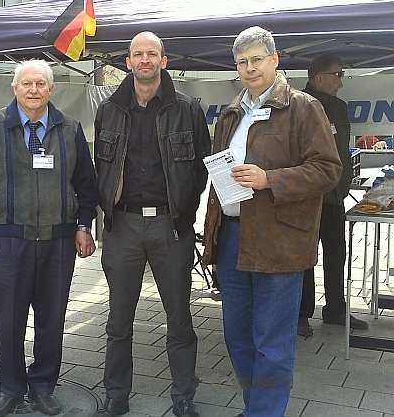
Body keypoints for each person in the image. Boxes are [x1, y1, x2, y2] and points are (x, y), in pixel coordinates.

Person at [201, 26, 342, 417]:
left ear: (275, 61)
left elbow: (327, 170)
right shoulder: (231, 114)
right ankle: (257, 406)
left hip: (279, 239)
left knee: (272, 342)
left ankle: (263, 412)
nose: (250, 68)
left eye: (257, 59)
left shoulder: (303, 107)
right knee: (238, 337)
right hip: (233, 237)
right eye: (242, 62)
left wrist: (269, 179)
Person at [0, 59, 97, 417]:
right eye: (27, 84)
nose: (34, 90)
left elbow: (86, 183)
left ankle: (42, 386)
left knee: (51, 318)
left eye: (41, 84)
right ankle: (10, 386)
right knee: (8, 318)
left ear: (51, 89)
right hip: (8, 241)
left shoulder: (70, 129)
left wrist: (84, 225)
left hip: (59, 240)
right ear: (15, 88)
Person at [94, 31, 211, 417]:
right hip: (122, 226)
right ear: (127, 62)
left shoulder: (188, 109)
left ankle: (183, 396)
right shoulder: (109, 109)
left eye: (152, 54)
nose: (145, 60)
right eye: (137, 54)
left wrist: (183, 210)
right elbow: (102, 168)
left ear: (164, 60)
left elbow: (200, 169)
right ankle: (116, 393)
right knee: (118, 318)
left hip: (170, 227)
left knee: (179, 316)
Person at [297, 53, 368, 337]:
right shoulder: (297, 104)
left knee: (337, 253)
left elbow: (342, 148)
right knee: (305, 257)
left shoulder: (340, 107)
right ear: (319, 78)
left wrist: (345, 181)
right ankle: (302, 313)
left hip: (335, 195)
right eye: (337, 75)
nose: (341, 82)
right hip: (308, 197)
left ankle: (336, 309)